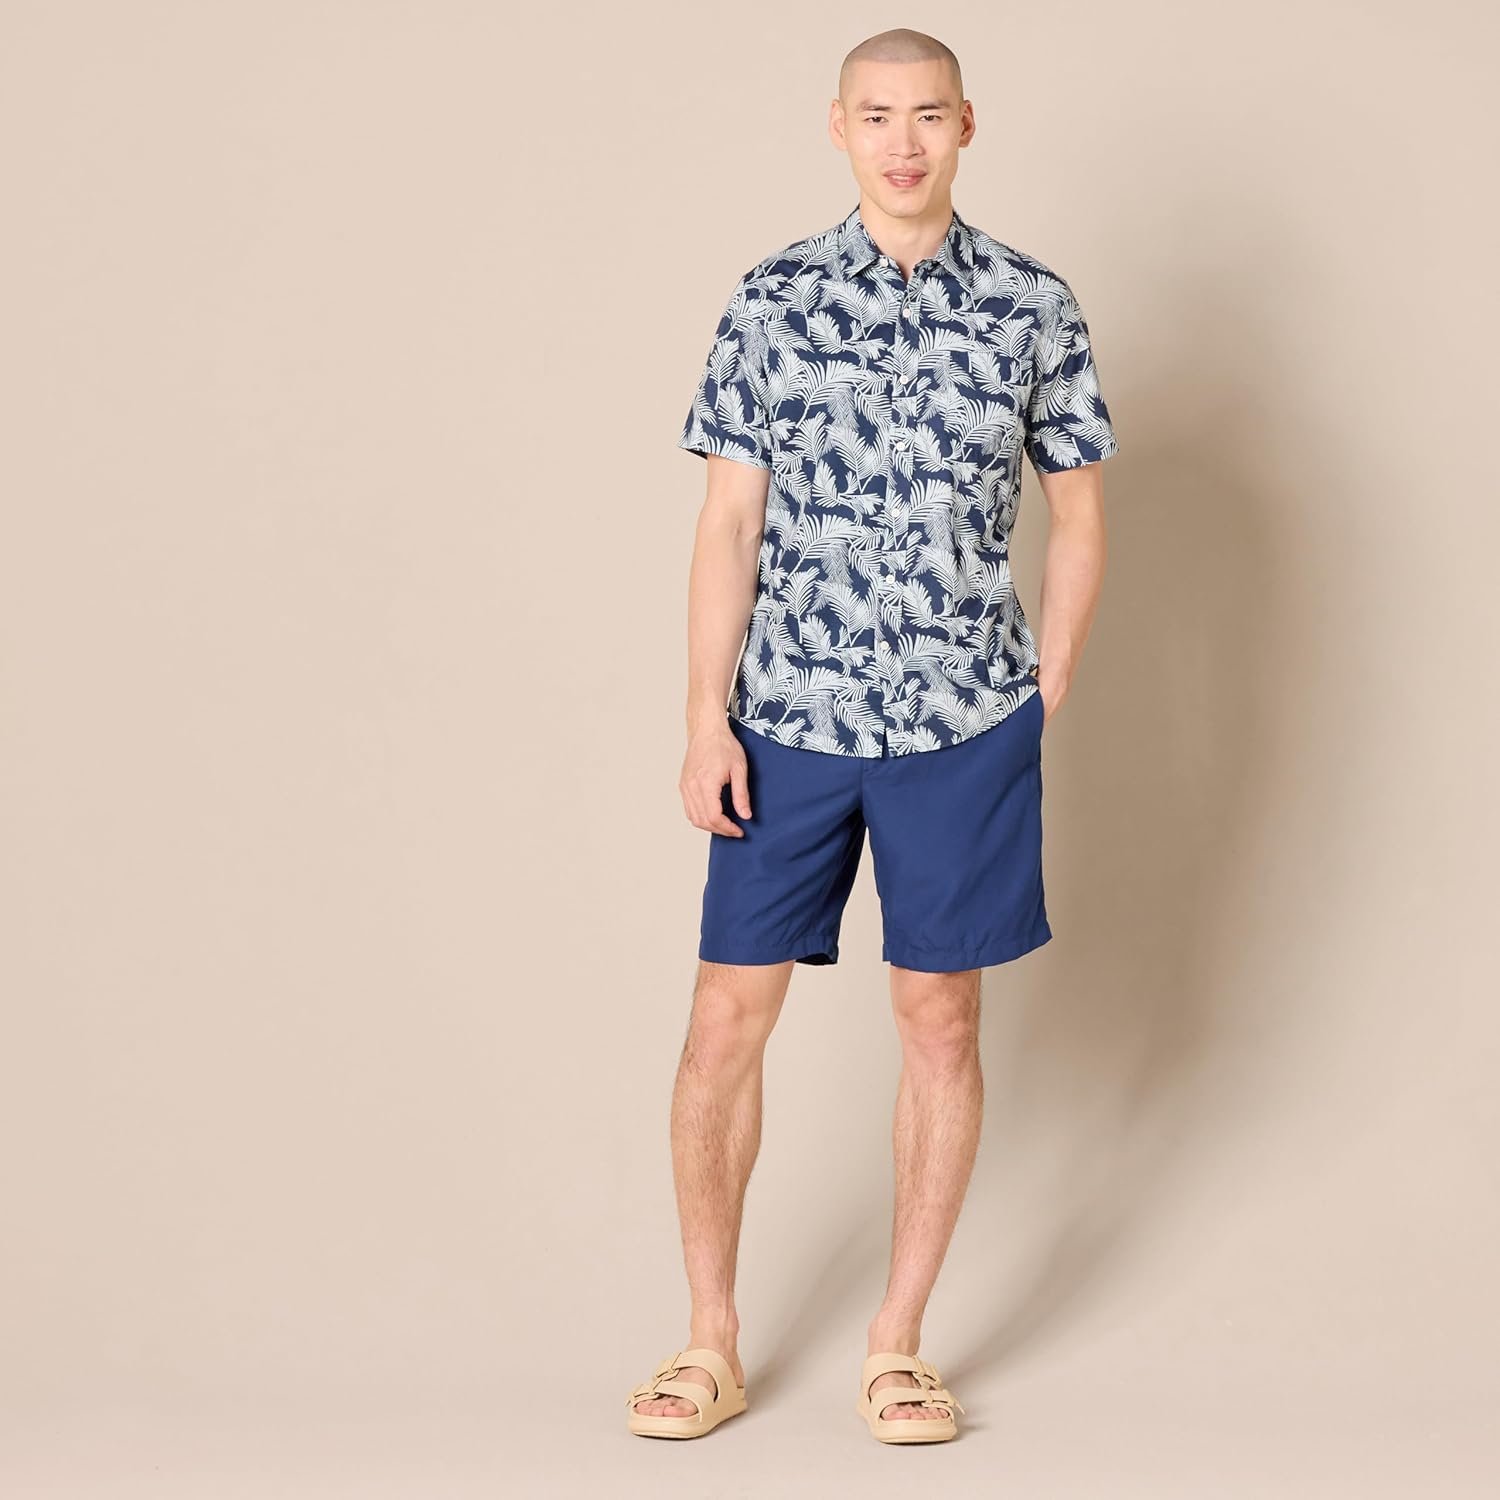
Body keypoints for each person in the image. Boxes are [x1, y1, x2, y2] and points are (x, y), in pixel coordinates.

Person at [626, 27, 1120, 1444]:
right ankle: (710, 1339)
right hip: (787, 719)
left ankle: (898, 1343)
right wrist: (705, 717)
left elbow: (1079, 506)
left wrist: (1049, 675)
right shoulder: (774, 298)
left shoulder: (1032, 304)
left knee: (940, 1018)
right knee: (726, 1017)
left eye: (928, 116)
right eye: (877, 116)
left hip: (963, 722)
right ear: (837, 127)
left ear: (967, 124)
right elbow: (728, 521)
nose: (904, 142)